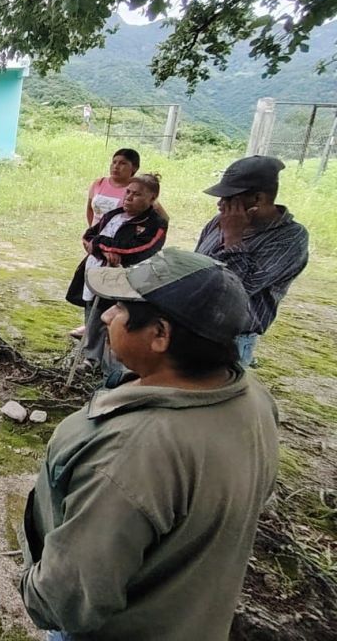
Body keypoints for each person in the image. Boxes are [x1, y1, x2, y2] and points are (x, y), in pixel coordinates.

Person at [20, 249, 279, 641]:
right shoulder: (253, 398)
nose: (106, 316)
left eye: (122, 308)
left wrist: (32, 587)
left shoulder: (131, 455)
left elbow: (66, 599)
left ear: (160, 334)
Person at [195, 155, 309, 365]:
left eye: (229, 199)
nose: (220, 204)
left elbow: (237, 289)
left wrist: (233, 239)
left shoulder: (290, 238)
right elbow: (196, 266)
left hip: (232, 340)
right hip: (195, 326)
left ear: (258, 199)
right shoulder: (218, 222)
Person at [66, 174, 167, 375]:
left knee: (118, 320)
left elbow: (139, 249)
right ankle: (91, 357)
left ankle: (114, 367)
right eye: (128, 192)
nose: (129, 198)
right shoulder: (113, 215)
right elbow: (89, 236)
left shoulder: (155, 224)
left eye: (137, 194)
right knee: (93, 314)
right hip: (96, 273)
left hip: (125, 281)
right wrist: (103, 249)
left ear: (152, 198)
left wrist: (106, 246)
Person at [87, 148, 141, 227]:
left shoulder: (138, 188)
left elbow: (158, 216)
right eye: (114, 162)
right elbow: (89, 209)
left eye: (123, 163)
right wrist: (91, 231)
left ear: (134, 168)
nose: (116, 166)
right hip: (94, 237)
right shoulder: (99, 183)